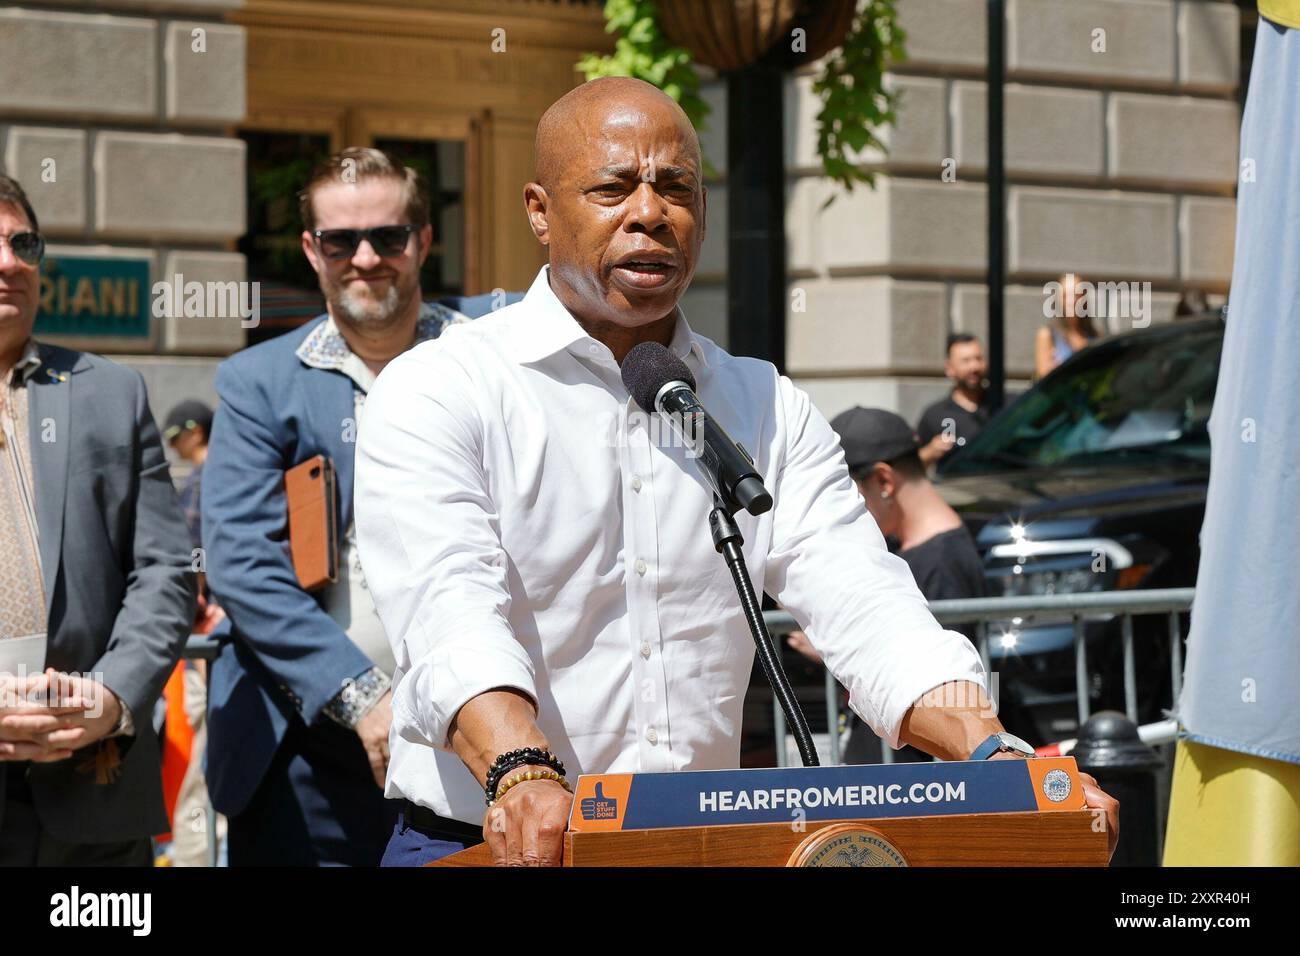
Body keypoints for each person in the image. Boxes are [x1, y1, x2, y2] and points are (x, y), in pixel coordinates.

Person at [353, 77, 1120, 866]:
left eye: (677, 188)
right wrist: (519, 773)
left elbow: (866, 605)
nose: (650, 212)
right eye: (613, 188)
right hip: (487, 840)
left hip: (699, 847)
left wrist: (995, 759)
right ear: (540, 211)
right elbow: (450, 611)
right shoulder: (439, 387)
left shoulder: (764, 403)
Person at [201, 148, 473, 866]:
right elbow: (241, 565)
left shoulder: (482, 358)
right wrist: (365, 699)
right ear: (311, 250)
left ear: (422, 239)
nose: (365, 257)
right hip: (305, 751)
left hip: (474, 737)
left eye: (387, 237)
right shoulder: (258, 382)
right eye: (339, 240)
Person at [0, 174, 196, 865]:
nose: (10, 261)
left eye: (24, 243)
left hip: (94, 796)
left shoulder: (110, 393)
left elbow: (166, 572)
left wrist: (112, 697)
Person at [796, 407, 995, 763]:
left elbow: (940, 688)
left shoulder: (942, 562)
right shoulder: (915, 548)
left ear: (884, 481)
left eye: (846, 496)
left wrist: (836, 645)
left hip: (907, 787)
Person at [916, 333, 991, 467]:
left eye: (978, 359)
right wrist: (930, 452)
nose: (974, 367)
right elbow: (911, 467)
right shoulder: (934, 415)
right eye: (966, 361)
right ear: (949, 368)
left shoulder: (1006, 404)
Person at [1034, 271, 1099, 380]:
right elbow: (1044, 378)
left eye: (1077, 294)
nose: (1072, 300)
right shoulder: (1047, 335)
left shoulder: (1095, 335)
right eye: (1065, 296)